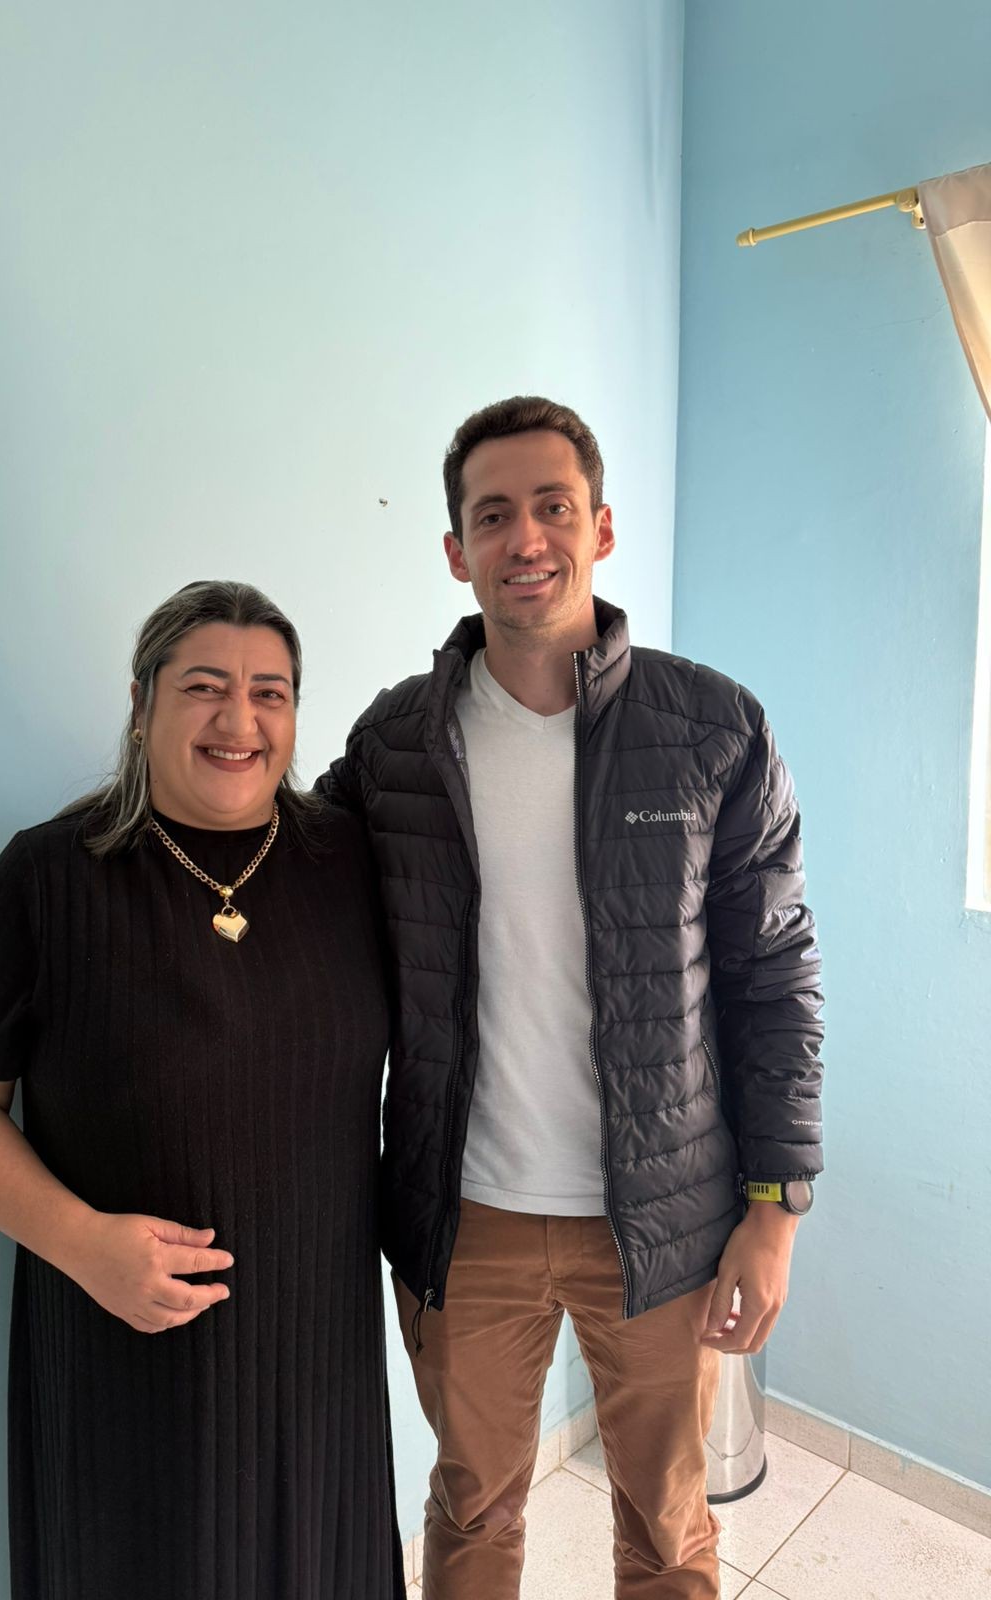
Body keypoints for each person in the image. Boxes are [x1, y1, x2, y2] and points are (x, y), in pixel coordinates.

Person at [322, 397, 824, 1600]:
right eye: (494, 515)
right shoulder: (395, 744)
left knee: (667, 1528)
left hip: (660, 1221)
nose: (526, 538)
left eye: (553, 507)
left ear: (601, 528)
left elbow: (775, 979)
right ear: (457, 550)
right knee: (472, 1509)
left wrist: (776, 1208)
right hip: (464, 1217)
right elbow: (299, 903)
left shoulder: (712, 727)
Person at [0, 580, 404, 1600]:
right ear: (142, 704)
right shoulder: (49, 877)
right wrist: (83, 1243)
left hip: (320, 1359)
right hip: (122, 1359)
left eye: (270, 692)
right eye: (205, 687)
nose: (239, 720)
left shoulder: (349, 861)